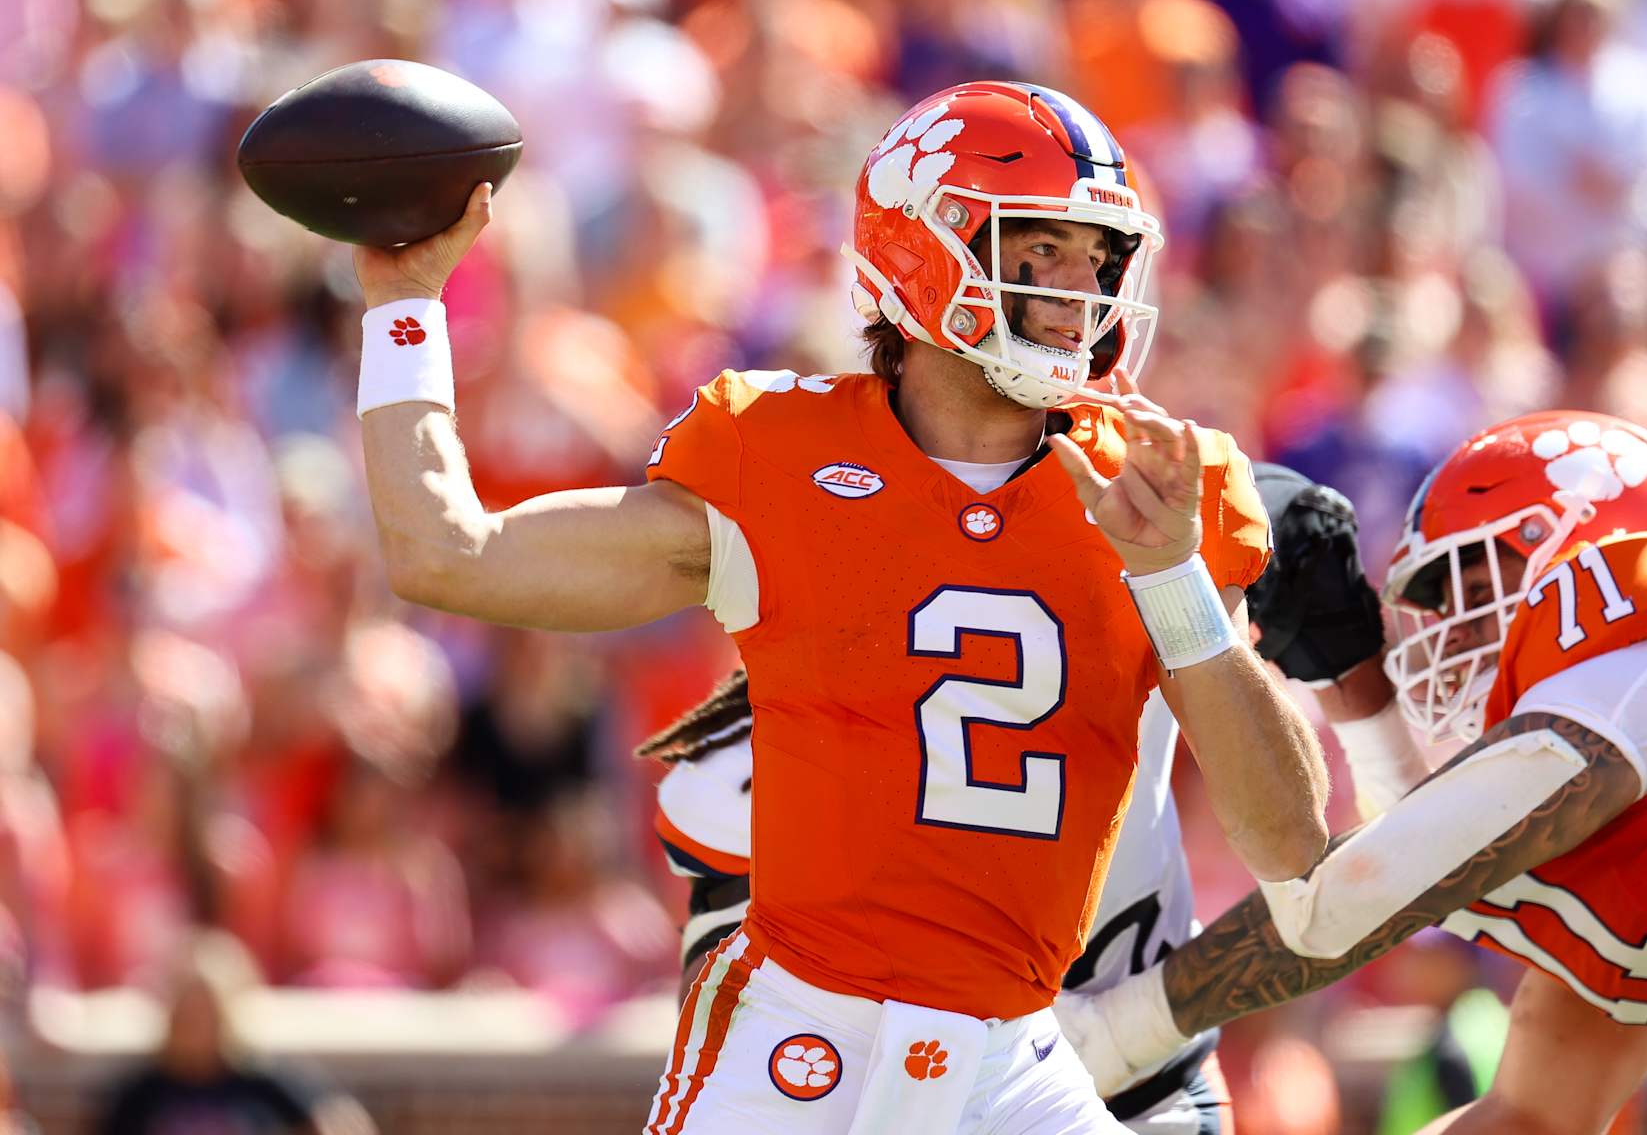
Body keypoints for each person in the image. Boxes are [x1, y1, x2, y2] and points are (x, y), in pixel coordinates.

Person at [349, 79, 1329, 1134]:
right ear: (924, 248)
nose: (1077, 291)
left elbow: (1290, 842)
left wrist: (1176, 583)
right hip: (795, 1045)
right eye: (1040, 251)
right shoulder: (780, 455)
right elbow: (449, 554)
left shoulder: (1158, 490)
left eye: (1098, 258)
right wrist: (406, 306)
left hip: (1014, 1058)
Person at [1057, 410, 1647, 1129]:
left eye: (1479, 594)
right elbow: (1529, 1118)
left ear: (1582, 555)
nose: (1454, 636)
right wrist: (1350, 681)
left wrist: (1121, 1034)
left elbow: (1350, 904)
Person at [636, 460, 1392, 1134]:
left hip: (1142, 1087)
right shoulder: (752, 766)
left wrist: (1129, 1027)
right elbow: (747, 1051)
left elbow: (1326, 874)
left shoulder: (1151, 574)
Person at [94, 931, 373, 1135]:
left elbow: (340, 1121)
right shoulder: (141, 1093)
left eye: (205, 1013)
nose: (194, 1024)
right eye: (187, 1012)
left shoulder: (262, 1079)